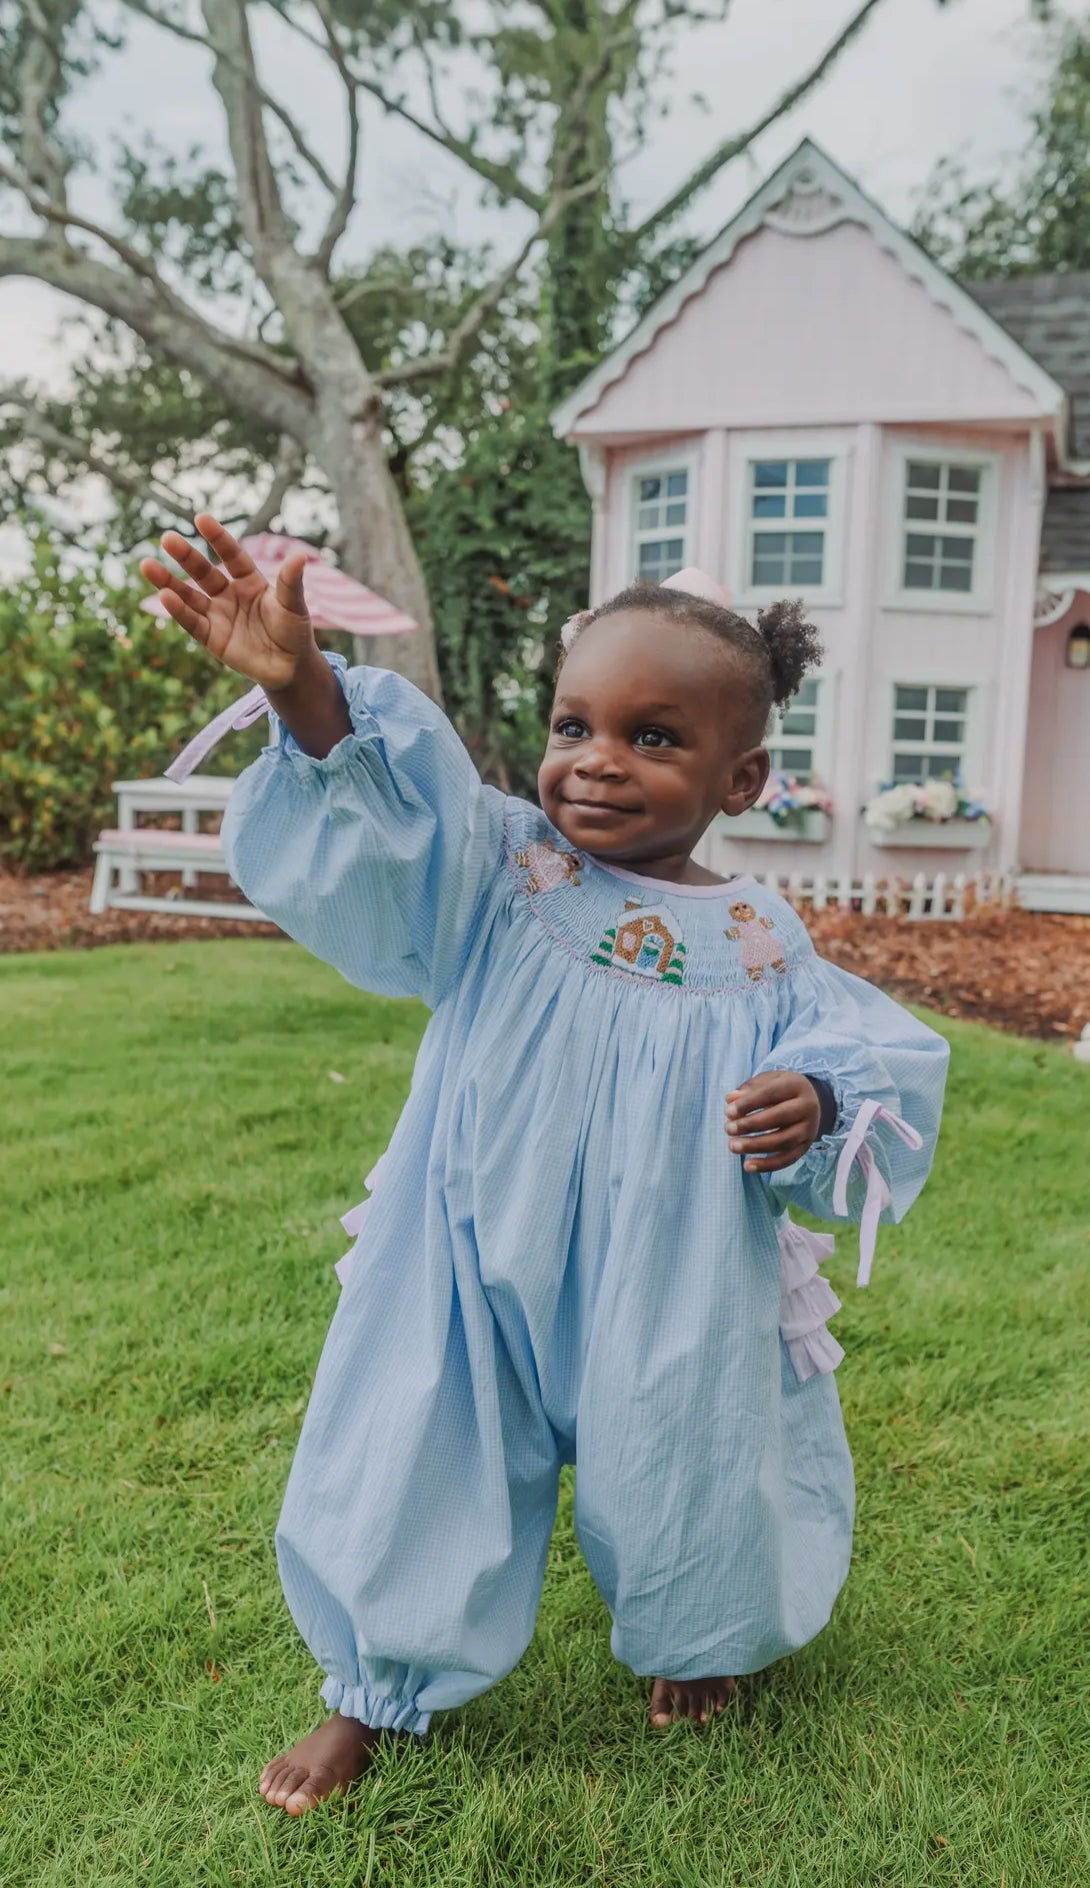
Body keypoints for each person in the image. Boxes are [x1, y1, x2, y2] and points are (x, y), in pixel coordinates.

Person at [141, 516, 949, 1816]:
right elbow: (386, 819)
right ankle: (374, 1688)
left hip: (671, 1264)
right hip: (462, 1239)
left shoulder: (758, 944)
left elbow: (862, 1067)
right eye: (576, 727)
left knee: (694, 1447)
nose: (598, 765)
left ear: (743, 781)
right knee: (412, 1439)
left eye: (656, 737)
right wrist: (296, 685)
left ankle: (696, 1640)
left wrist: (812, 1099)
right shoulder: (502, 872)